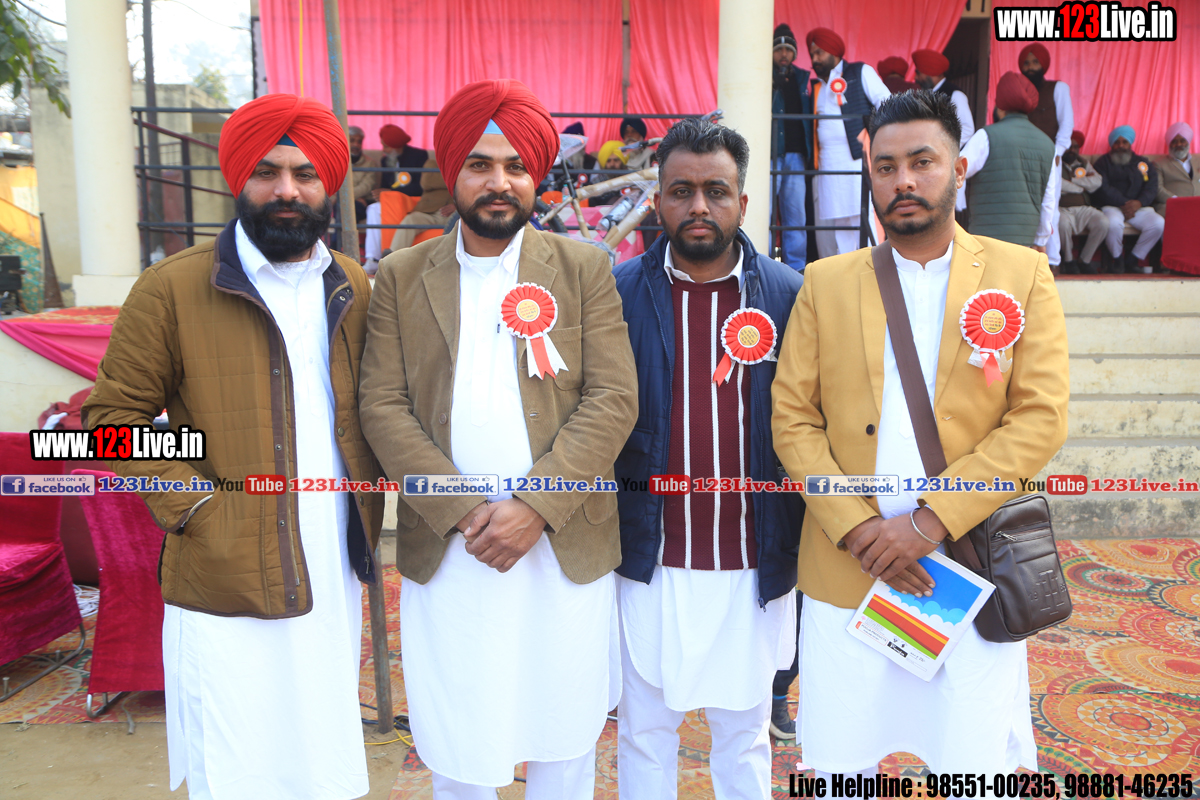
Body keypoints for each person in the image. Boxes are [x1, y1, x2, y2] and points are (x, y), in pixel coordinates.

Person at [82, 93, 384, 800]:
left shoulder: (350, 282)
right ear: (237, 179)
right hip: (223, 566)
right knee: (238, 758)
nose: (287, 190)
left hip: (329, 557)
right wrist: (197, 505)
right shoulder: (174, 286)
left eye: (305, 174)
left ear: (329, 185)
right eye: (267, 172)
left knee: (318, 751)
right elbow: (111, 418)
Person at [772, 88, 1069, 784]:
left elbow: (1041, 416)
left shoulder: (1021, 273)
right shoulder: (825, 282)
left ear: (959, 169)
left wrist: (929, 523)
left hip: (966, 566)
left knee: (972, 764)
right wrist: (856, 529)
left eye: (922, 162)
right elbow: (793, 417)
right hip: (853, 570)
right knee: (842, 766)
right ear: (870, 176)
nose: (903, 180)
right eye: (886, 167)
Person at [358, 78, 637, 800]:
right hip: (454, 546)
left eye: (515, 166)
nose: (499, 181)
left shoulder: (583, 268)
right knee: (461, 729)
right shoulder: (401, 275)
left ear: (535, 175)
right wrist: (461, 511)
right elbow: (382, 405)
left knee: (563, 729)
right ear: (453, 171)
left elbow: (613, 398)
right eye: (480, 164)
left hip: (560, 542)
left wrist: (536, 507)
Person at [611, 119, 804, 798]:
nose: (699, 206)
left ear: (742, 203)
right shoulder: (617, 294)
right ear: (658, 201)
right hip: (649, 556)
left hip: (753, 556)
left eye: (716, 191)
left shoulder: (788, 295)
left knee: (744, 735)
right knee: (643, 731)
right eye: (681, 191)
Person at [805, 26, 891, 258]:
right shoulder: (816, 86)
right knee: (839, 222)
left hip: (856, 158)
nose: (815, 59)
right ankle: (848, 268)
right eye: (812, 55)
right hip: (828, 164)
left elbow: (887, 102)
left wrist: (873, 135)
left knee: (863, 214)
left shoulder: (860, 72)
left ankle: (875, 264)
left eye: (820, 53)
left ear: (834, 52)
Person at [961, 72, 1055, 250]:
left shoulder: (986, 136)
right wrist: (1040, 241)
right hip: (1024, 246)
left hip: (985, 243)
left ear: (999, 107)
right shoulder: (1048, 145)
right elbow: (1048, 201)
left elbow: (956, 174)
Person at [1019, 44, 1075, 270]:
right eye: (1026, 63)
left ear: (1043, 65)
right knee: (1024, 209)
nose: (1030, 67)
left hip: (1051, 158)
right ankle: (1027, 262)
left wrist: (1057, 153)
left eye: (1035, 62)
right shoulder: (1019, 91)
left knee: (1050, 210)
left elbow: (1066, 126)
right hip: (1023, 159)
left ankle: (1052, 262)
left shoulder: (1058, 88)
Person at [1091, 125, 1165, 274]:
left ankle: (1133, 259)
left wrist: (1139, 202)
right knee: (1112, 224)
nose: (1121, 146)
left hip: (1139, 207)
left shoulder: (1143, 163)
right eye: (1117, 142)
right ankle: (1118, 259)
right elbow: (1102, 187)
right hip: (1112, 206)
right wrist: (1125, 203)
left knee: (1158, 223)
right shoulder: (1102, 163)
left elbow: (1151, 187)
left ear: (1130, 143)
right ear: (1112, 144)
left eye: (1124, 142)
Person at [912, 49, 974, 216]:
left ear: (929, 73)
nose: (916, 78)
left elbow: (968, 129)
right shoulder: (925, 95)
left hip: (946, 161)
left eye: (918, 73)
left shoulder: (955, 94)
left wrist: (942, 145)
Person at [772, 23, 813, 270]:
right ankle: (764, 265)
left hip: (797, 155)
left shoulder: (803, 78)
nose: (784, 54)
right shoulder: (763, 76)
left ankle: (796, 270)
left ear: (795, 53)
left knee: (796, 217)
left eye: (788, 49)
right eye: (778, 49)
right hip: (771, 154)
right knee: (765, 214)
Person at [1058, 130, 1107, 274]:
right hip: (1062, 208)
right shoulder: (1055, 160)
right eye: (1069, 146)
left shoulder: (1084, 163)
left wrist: (1071, 180)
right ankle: (1068, 260)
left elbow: (1097, 182)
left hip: (1083, 208)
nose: (1072, 150)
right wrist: (1082, 186)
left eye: (1076, 147)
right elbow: (1057, 184)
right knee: (1062, 224)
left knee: (1103, 222)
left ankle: (1084, 260)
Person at [386, 151, 455, 252]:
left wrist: (457, 207)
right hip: (429, 212)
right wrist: (456, 178)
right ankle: (393, 257)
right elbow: (427, 182)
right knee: (410, 220)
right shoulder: (432, 164)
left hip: (455, 214)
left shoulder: (465, 166)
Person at [1153, 122, 1200, 216]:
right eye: (1174, 141)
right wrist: (1177, 201)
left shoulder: (1198, 160)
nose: (1179, 144)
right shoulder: (1159, 164)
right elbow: (1157, 188)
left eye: (1182, 140)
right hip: (1172, 205)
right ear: (1169, 143)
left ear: (1188, 141)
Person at [377, 124, 428, 198]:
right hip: (390, 199)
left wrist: (393, 191)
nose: (383, 150)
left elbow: (421, 186)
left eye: (386, 146)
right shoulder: (385, 160)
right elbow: (384, 186)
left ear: (396, 145)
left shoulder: (419, 156)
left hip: (411, 199)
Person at [349, 124, 380, 221]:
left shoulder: (369, 163)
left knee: (349, 208)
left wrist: (347, 197)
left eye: (359, 141)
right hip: (340, 201)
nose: (356, 145)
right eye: (352, 140)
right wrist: (347, 198)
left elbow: (366, 187)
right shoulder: (335, 161)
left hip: (363, 201)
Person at [590, 139, 630, 206]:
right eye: (608, 161)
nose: (612, 164)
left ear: (622, 162)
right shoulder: (596, 183)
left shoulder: (631, 180)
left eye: (616, 160)